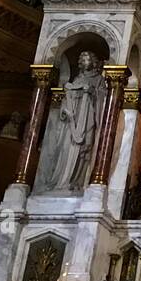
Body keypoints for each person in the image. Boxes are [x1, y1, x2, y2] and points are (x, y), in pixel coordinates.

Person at [35, 51, 108, 192]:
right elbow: (68, 98)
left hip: (87, 119)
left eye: (87, 59)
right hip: (72, 122)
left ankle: (78, 181)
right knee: (65, 149)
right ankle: (62, 181)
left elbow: (103, 100)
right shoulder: (77, 79)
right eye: (82, 59)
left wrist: (92, 92)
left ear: (93, 62)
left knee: (84, 150)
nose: (84, 62)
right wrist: (64, 110)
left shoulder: (99, 80)